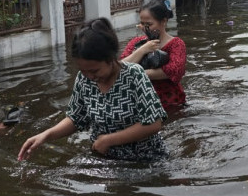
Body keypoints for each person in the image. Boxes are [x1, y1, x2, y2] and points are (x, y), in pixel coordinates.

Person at [18, 17, 168, 162]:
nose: (90, 76)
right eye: (84, 71)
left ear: (110, 59)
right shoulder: (83, 79)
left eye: (95, 71)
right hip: (103, 156)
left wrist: (108, 140)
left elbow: (154, 123)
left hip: (144, 159)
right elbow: (76, 118)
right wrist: (46, 135)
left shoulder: (134, 75)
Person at [121, 0, 187, 111]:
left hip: (168, 101)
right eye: (142, 24)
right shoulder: (136, 43)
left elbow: (174, 70)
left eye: (149, 24)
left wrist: (136, 73)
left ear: (163, 21)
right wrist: (142, 50)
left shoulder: (176, 44)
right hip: (140, 101)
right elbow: (120, 68)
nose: (145, 28)